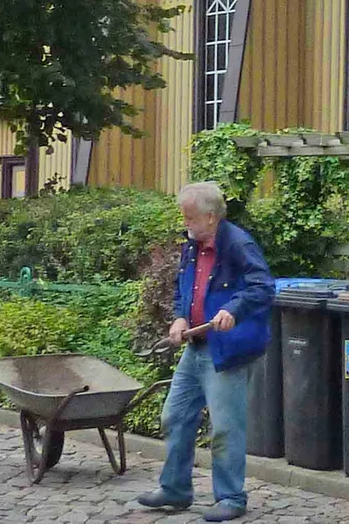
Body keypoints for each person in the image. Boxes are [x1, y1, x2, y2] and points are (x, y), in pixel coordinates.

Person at [136, 181, 274, 521]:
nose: (186, 223)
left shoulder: (239, 245)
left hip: (226, 351)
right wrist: (180, 317)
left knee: (226, 427)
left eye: (190, 218)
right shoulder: (192, 246)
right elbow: (184, 288)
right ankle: (175, 489)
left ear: (211, 217)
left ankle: (230, 498)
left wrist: (234, 310)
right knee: (174, 416)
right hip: (195, 347)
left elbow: (263, 287)